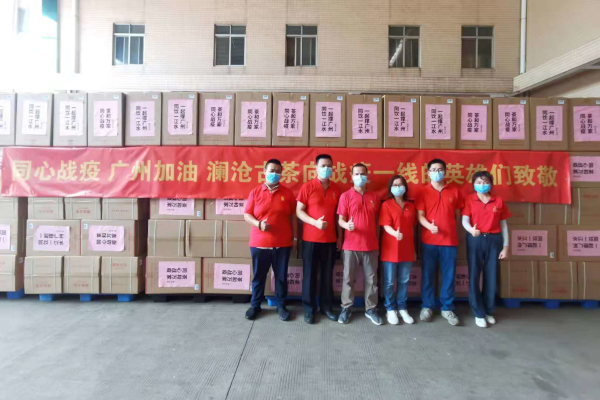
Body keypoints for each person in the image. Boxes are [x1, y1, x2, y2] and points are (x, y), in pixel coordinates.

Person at [243, 159, 298, 321]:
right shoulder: (255, 192)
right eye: (271, 170)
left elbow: (293, 217)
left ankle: (281, 306)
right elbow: (247, 214)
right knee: (258, 277)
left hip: (282, 244)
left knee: (281, 277)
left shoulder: (287, 193)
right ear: (264, 171)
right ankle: (255, 306)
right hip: (259, 243)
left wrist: (295, 238)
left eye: (278, 171)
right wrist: (258, 224)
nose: (274, 173)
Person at [416, 158, 463, 326]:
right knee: (428, 275)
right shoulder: (422, 192)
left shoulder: (455, 191)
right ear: (428, 172)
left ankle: (447, 308)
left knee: (449, 276)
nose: (437, 172)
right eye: (434, 170)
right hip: (429, 241)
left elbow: (457, 215)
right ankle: (427, 306)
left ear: (445, 172)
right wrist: (429, 226)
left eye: (440, 169)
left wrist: (451, 230)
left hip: (449, 241)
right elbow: (420, 216)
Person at [296, 154, 342, 324]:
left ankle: (326, 307)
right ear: (316, 167)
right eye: (323, 165)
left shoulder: (336, 189)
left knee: (327, 275)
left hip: (330, 240)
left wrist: (340, 237)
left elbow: (338, 216)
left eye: (329, 166)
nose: (326, 169)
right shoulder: (307, 187)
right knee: (309, 275)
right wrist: (314, 222)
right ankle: (309, 309)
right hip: (310, 240)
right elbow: (299, 211)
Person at [462, 171, 511, 328]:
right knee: (474, 274)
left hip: (494, 240)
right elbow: (464, 220)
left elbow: (504, 226)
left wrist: (506, 247)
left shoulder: (498, 201)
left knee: (491, 275)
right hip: (475, 238)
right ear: (473, 184)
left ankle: (489, 310)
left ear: (491, 184)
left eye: (485, 182)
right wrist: (471, 230)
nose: (482, 185)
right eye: (478, 182)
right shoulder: (470, 199)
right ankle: (478, 312)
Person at [337, 163, 382, 325]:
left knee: (372, 280)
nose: (360, 176)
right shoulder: (345, 196)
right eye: (356, 174)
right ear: (351, 176)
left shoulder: (375, 197)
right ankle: (346, 307)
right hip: (350, 246)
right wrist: (346, 225)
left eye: (363, 174)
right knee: (348, 279)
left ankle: (371, 309)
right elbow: (340, 220)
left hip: (371, 246)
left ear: (367, 176)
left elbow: (377, 222)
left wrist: (377, 241)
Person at [379, 175, 417, 325]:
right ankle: (390, 308)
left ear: (405, 187)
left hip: (407, 248)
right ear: (390, 188)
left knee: (404, 280)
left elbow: (412, 228)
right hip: (390, 248)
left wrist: (414, 249)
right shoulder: (386, 205)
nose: (398, 187)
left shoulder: (410, 206)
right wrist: (394, 233)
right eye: (395, 185)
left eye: (400, 185)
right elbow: (385, 225)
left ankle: (402, 307)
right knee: (389, 281)